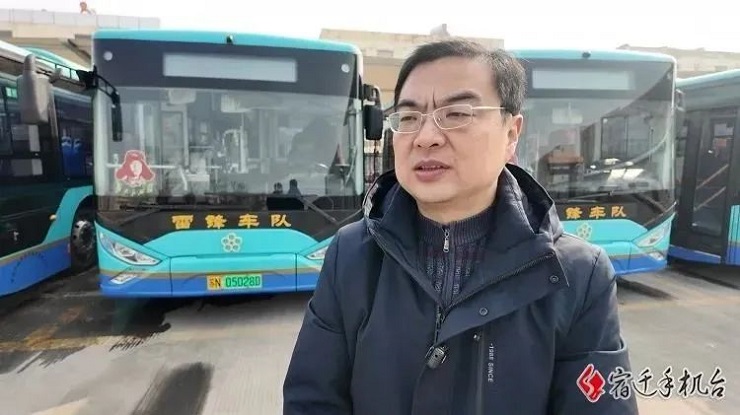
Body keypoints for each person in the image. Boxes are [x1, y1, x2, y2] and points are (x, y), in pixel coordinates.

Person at [283, 39, 637, 415]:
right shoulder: (351, 255)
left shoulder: (578, 274)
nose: (425, 137)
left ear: (511, 133)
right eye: (409, 118)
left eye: (456, 114)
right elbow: (313, 401)